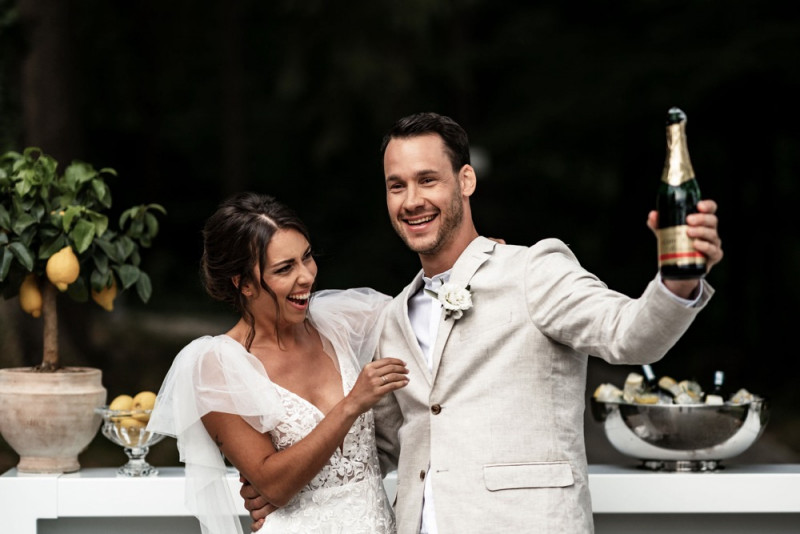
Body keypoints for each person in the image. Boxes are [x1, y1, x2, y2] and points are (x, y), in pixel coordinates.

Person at [243, 112, 723, 533]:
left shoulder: (534, 270)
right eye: (397, 185)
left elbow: (630, 337)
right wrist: (286, 484)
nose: (411, 200)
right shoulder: (391, 320)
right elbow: (381, 446)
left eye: (428, 180)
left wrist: (678, 282)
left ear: (466, 180)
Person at [147, 192, 409, 534]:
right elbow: (274, 485)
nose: (306, 277)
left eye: (307, 257)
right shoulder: (218, 366)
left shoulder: (342, 322)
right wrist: (351, 405)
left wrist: (475, 263)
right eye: (285, 268)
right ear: (244, 284)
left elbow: (425, 309)